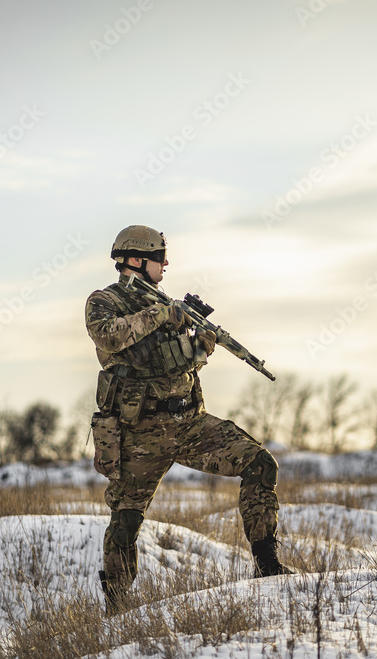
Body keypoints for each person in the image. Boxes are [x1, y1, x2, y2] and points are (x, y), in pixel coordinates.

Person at [85, 225, 290, 613]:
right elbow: (109, 338)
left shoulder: (166, 302)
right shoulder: (105, 301)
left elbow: (175, 362)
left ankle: (269, 567)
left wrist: (199, 346)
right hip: (139, 433)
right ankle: (116, 609)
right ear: (135, 260)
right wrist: (163, 313)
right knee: (126, 520)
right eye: (161, 257)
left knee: (260, 463)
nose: (166, 264)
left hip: (190, 425)